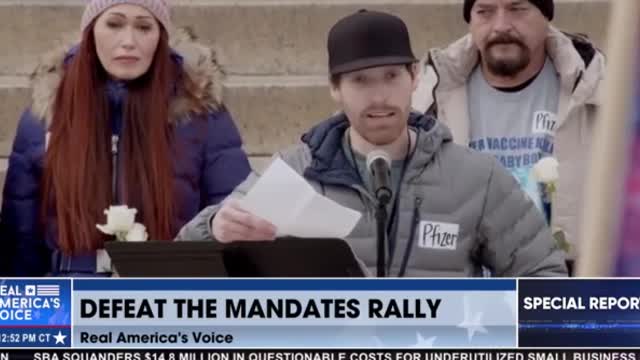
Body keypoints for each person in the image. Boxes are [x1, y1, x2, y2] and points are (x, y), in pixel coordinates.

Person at [176, 9, 567, 277]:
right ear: (334, 88)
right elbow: (185, 256)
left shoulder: (475, 177)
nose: (379, 96)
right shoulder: (297, 169)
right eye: (360, 81)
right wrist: (217, 228)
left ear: (415, 78)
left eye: (391, 76)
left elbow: (544, 276)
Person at [0, 0, 251, 276]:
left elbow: (236, 220)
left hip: (166, 299)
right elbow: (20, 244)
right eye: (114, 24)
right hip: (67, 301)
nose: (129, 41)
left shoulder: (201, 115)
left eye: (144, 27)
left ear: (161, 37)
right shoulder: (45, 116)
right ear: (92, 30)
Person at [411, 0, 605, 273]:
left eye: (517, 9)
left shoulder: (598, 89)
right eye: (485, 12)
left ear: (546, 17)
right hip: (468, 290)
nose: (501, 25)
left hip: (567, 286)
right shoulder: (428, 95)